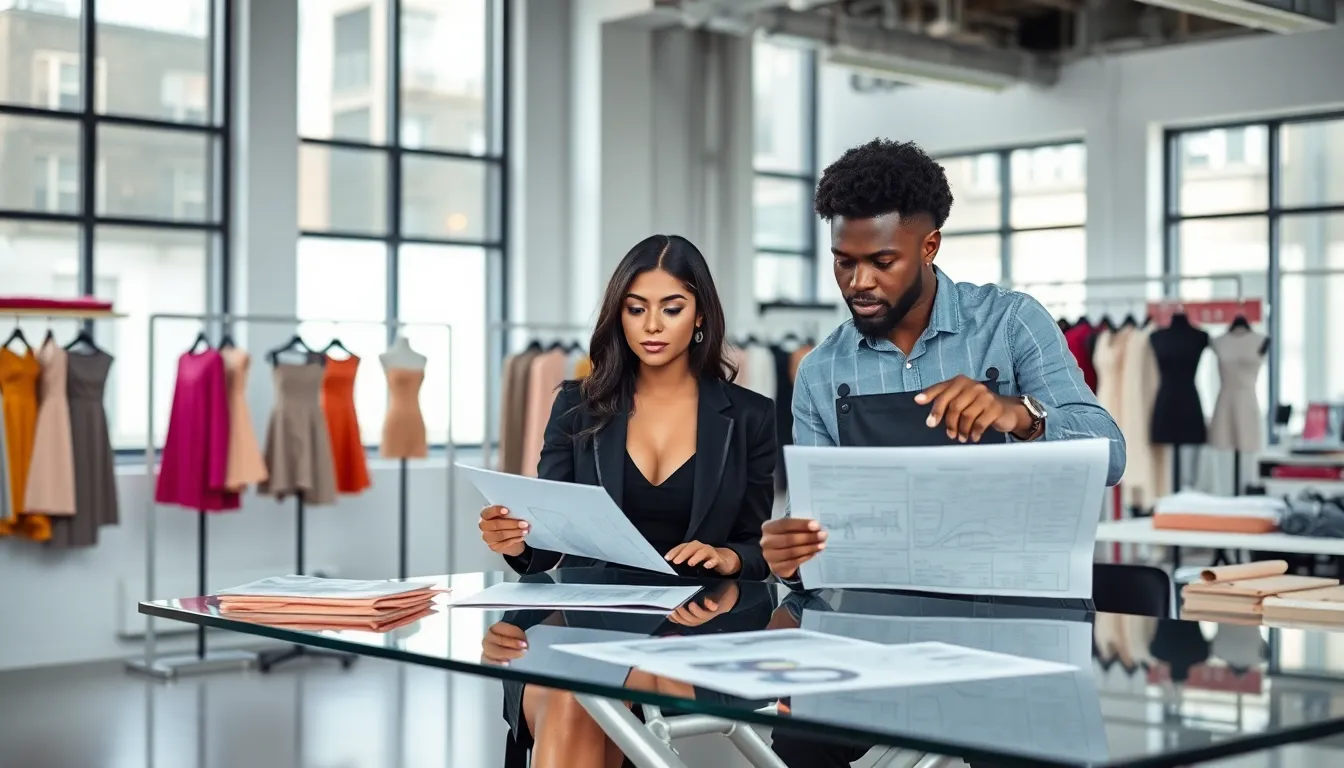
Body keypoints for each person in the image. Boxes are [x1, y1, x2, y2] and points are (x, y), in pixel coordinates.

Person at [760, 139, 1128, 766]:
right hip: (870, 628)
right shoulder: (822, 371)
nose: (859, 282)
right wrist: (789, 560)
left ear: (929, 247)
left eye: (881, 261)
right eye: (842, 262)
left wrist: (1022, 416)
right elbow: (816, 535)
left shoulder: (1011, 324)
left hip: (1012, 624)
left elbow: (1111, 454)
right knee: (800, 742)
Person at [478, 234, 778, 768]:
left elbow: (757, 548)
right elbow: (544, 550)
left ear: (701, 315)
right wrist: (515, 540)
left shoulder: (751, 416)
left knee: (577, 693)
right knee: (574, 693)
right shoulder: (576, 406)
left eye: (672, 308)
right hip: (590, 612)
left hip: (700, 614)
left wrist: (729, 557)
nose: (652, 326)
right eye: (635, 309)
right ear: (619, 316)